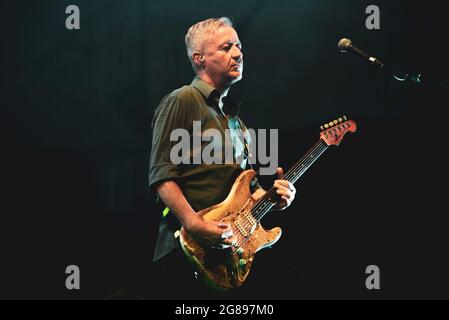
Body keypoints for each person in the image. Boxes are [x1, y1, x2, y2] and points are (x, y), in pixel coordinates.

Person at [148, 17, 296, 298]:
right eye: (226, 47)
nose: (238, 53)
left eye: (239, 46)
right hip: (188, 251)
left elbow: (249, 191)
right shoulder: (182, 100)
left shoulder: (237, 123)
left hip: (230, 256)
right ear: (199, 58)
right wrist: (195, 224)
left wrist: (275, 198)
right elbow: (161, 175)